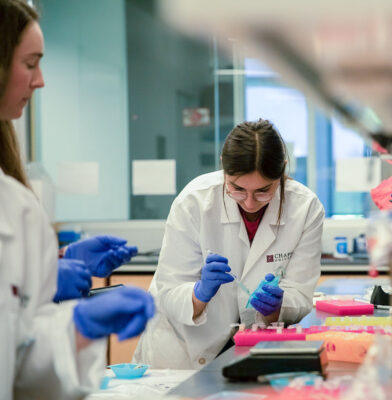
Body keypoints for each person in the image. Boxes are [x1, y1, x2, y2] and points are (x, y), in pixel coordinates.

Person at [0, 1, 154, 398]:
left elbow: (18, 363)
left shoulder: (14, 204)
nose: (41, 81)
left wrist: (78, 324)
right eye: (30, 63)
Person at [133, 119, 325, 368]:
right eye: (237, 189)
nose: (249, 202)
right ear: (224, 167)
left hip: (251, 350)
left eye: (263, 191)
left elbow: (300, 293)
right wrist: (199, 293)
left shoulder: (305, 208)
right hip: (182, 352)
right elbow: (169, 291)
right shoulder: (195, 202)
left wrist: (278, 307)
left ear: (283, 171)